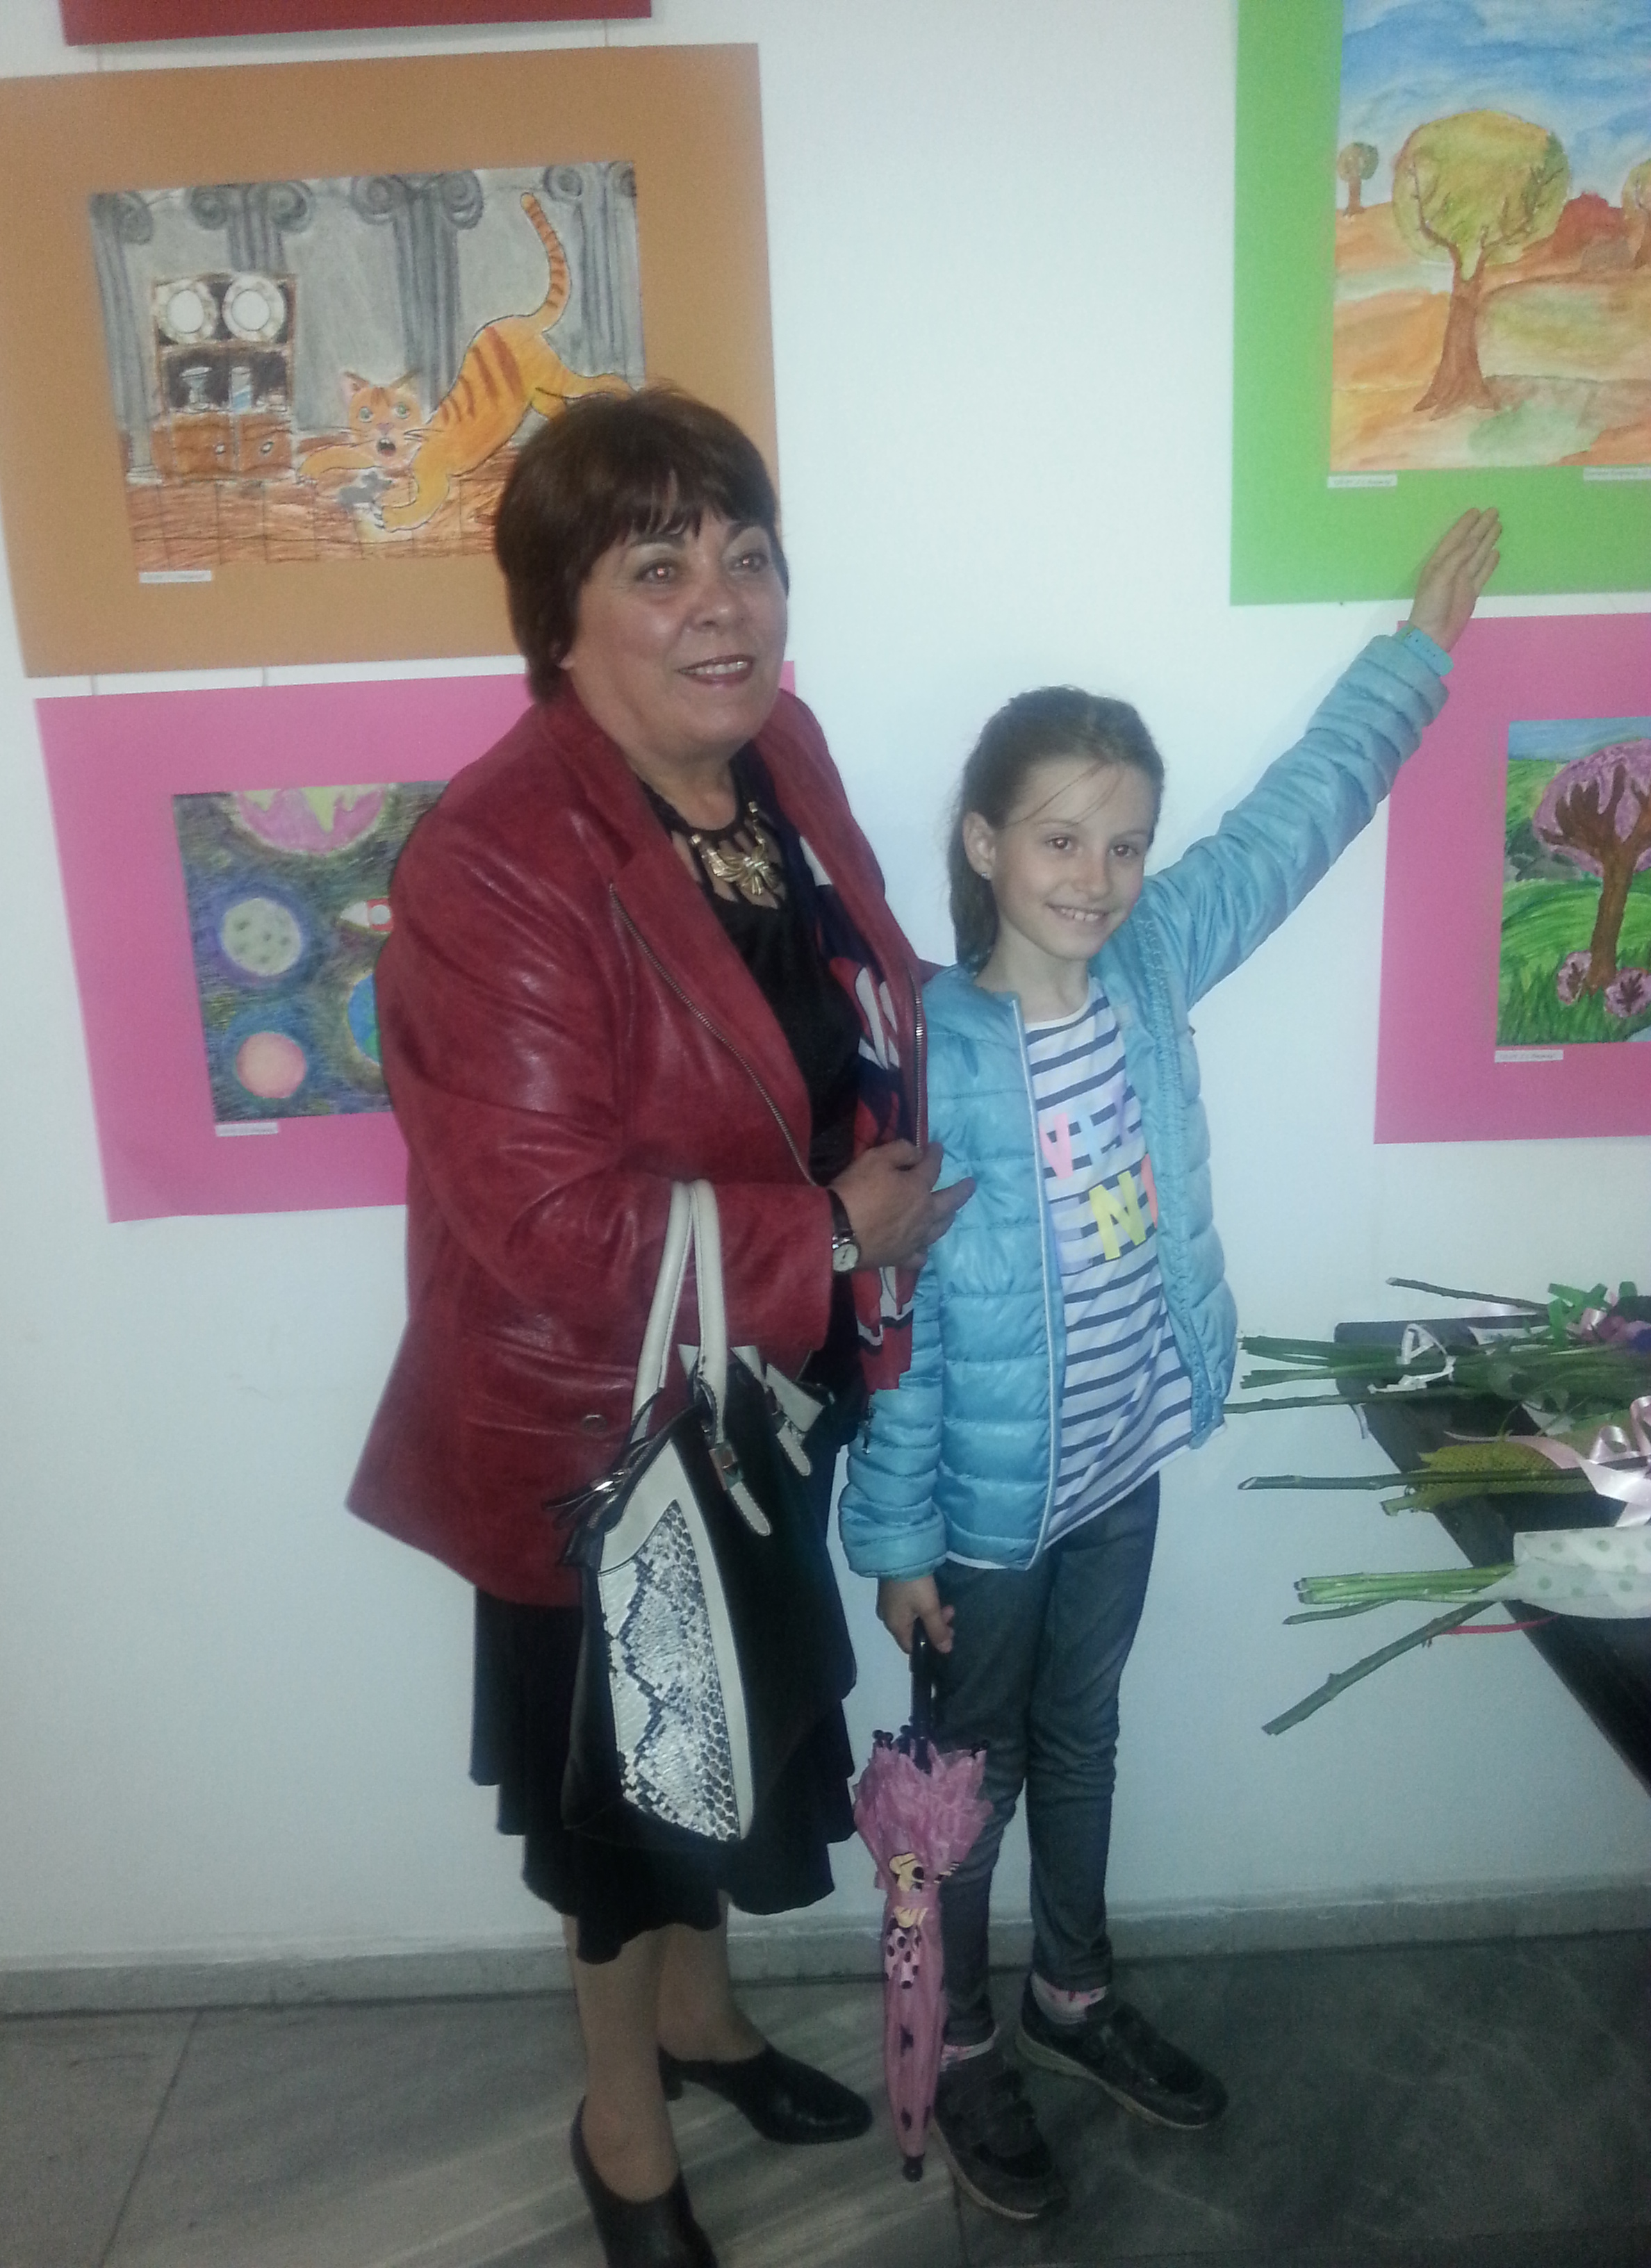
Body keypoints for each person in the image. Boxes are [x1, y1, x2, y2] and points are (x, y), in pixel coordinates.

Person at [347, 389, 971, 2268]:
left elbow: (848, 1002)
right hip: (596, 1448)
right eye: (658, 565)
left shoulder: (780, 750)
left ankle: (706, 2032)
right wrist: (833, 1232)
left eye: (747, 554)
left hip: (763, 1398)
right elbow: (545, 1229)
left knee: (725, 1751)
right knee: (623, 1827)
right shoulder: (495, 864)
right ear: (559, 619)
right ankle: (622, 2131)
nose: (725, 603)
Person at [837, 510, 1502, 2224]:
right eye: (1061, 837)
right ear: (984, 842)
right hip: (983, 1520)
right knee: (967, 1786)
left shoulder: (1151, 969)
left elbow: (1290, 823)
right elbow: (897, 1329)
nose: (1098, 875)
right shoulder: (927, 1049)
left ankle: (1072, 1995)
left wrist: (1415, 658)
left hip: (1120, 1463)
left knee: (1087, 1739)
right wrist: (896, 1542)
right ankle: (957, 2045)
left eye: (1125, 843)